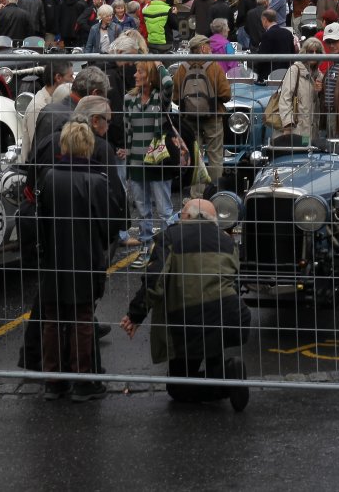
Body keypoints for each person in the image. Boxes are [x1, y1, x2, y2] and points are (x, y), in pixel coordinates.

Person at [122, 198, 252, 411]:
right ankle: (226, 374)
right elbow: (233, 280)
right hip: (229, 315)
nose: (179, 218)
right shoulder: (227, 242)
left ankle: (229, 376)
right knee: (213, 348)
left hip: (187, 320)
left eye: (181, 214)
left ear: (190, 216)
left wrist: (135, 314)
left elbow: (155, 280)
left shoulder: (171, 237)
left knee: (178, 387)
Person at [34, 120, 114, 402]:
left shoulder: (48, 177)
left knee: (53, 319)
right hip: (85, 256)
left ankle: (54, 381)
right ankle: (82, 380)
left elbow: (41, 218)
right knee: (82, 317)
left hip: (54, 257)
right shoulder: (97, 181)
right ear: (88, 147)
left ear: (64, 145)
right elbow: (107, 225)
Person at [119, 61, 181, 249]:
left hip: (158, 161)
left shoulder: (160, 98)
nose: (135, 75)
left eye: (140, 72)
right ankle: (146, 244)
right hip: (136, 161)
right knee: (142, 209)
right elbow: (127, 130)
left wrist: (159, 65)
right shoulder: (129, 99)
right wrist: (126, 151)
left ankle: (167, 247)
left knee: (164, 210)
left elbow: (168, 83)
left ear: (151, 76)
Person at [170, 36, 232, 193]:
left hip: (189, 119)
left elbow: (175, 97)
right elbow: (226, 94)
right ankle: (215, 193)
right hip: (213, 117)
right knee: (215, 156)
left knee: (196, 156)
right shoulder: (214, 67)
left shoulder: (182, 68)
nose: (210, 49)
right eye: (208, 46)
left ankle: (196, 195)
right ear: (203, 48)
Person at [274, 39, 323, 144]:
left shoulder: (319, 75)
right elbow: (285, 98)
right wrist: (287, 125)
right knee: (299, 152)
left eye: (317, 52)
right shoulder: (295, 70)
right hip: (295, 129)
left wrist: (320, 92)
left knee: (309, 151)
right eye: (311, 51)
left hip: (312, 131)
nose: (314, 54)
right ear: (304, 52)